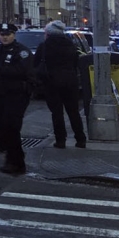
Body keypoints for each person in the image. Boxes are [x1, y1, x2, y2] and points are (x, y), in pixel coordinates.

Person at [0, 23, 37, 175]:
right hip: (0, 93)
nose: (5, 37)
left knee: (12, 127)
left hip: (17, 94)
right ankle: (11, 156)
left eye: (8, 34)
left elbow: (21, 71)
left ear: (14, 35)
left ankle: (16, 162)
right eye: (2, 34)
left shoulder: (22, 51)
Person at [34, 20, 87, 149]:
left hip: (51, 82)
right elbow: (76, 63)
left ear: (48, 33)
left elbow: (36, 64)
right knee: (73, 111)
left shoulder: (44, 46)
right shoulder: (71, 44)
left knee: (57, 113)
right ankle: (80, 139)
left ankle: (60, 140)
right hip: (70, 81)